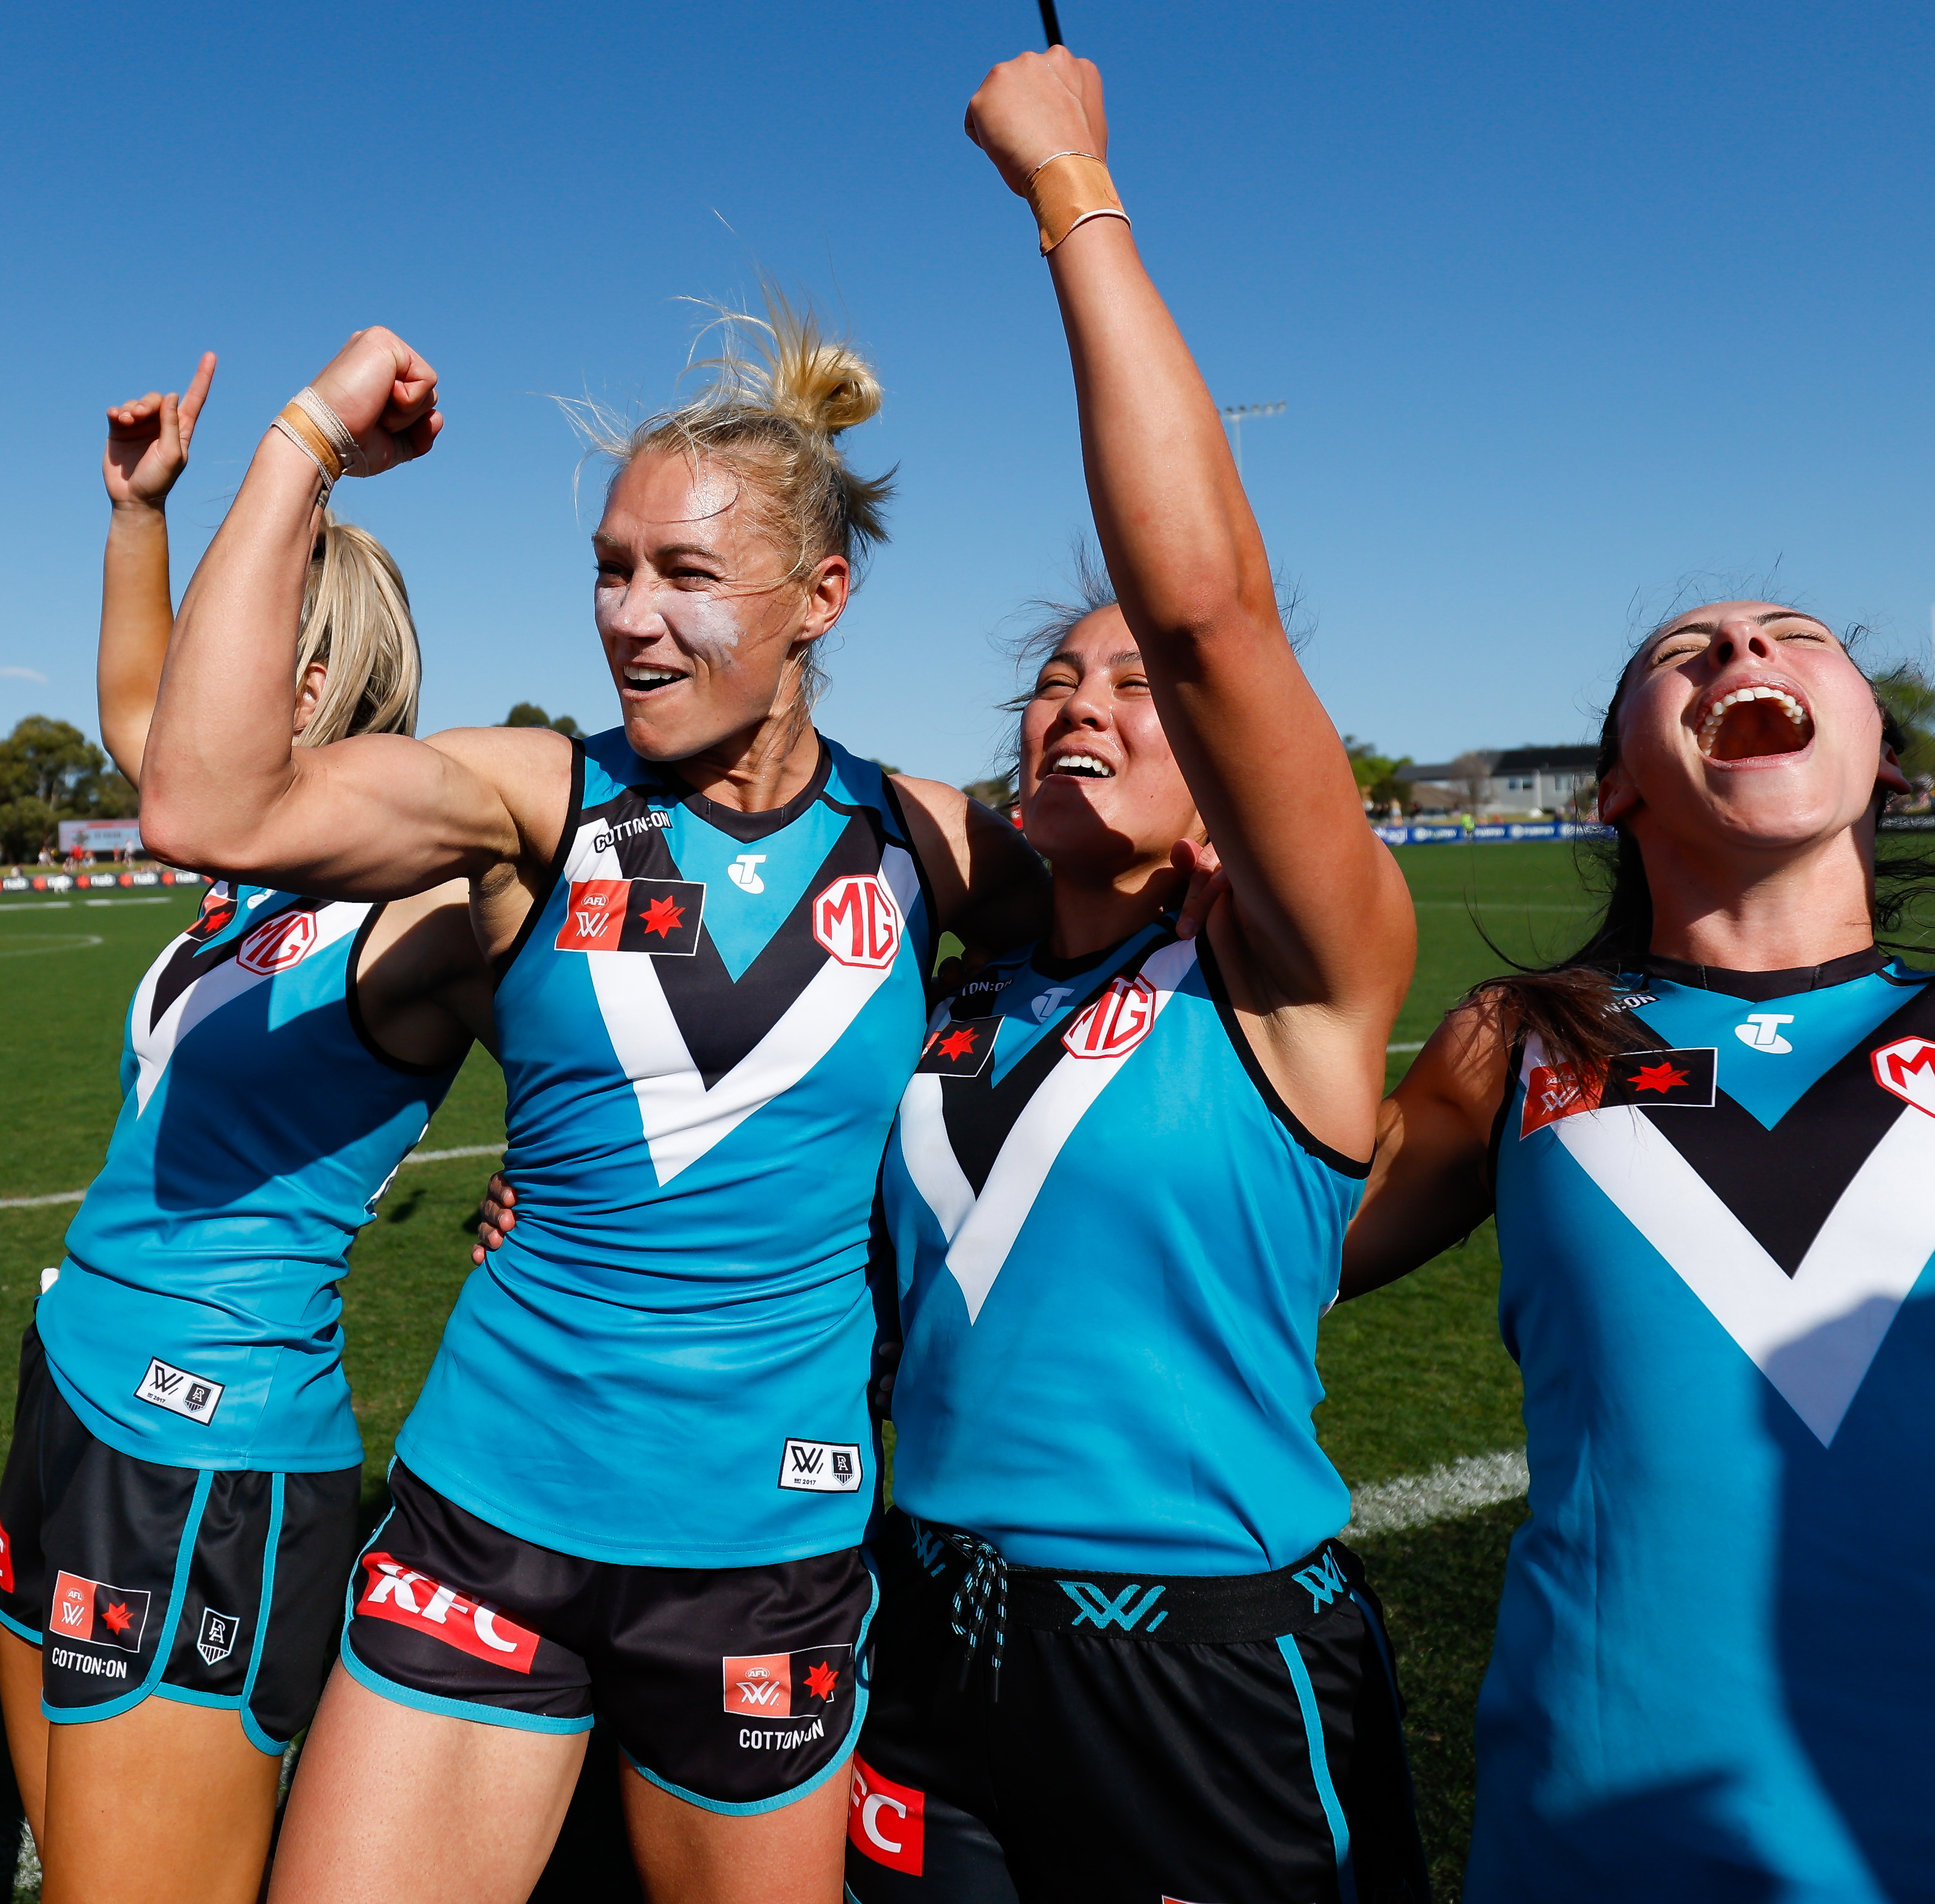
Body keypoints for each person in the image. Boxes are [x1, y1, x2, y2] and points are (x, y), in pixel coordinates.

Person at [478, 50, 1429, 1904]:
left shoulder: (1296, 978)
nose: (1087, 696)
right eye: (1056, 677)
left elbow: (1209, 606)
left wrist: (1071, 189)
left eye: (1135, 687)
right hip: (913, 1636)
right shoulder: (956, 981)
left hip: (1201, 1656)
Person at [138, 297, 1042, 1896]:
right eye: (612, 569)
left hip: (764, 1543)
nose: (630, 616)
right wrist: (302, 448)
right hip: (487, 1510)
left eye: (686, 575)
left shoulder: (931, 844)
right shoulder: (535, 797)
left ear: (819, 596)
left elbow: (1139, 967)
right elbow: (205, 796)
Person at [1346, 596, 1935, 1899]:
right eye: (1686, 652)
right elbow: (1255, 1248)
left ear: (1885, 757)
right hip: (1620, 1836)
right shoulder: (1517, 1042)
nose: (1741, 653)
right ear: (1614, 782)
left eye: (1796, 636)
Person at [0, 355, 493, 1904]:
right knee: (64, 1859)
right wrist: (140, 517)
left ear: (315, 680)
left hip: (208, 1443)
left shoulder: (431, 892)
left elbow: (596, 1000)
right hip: (71, 1383)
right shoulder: (250, 871)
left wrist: (549, 1165)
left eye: (238, 638)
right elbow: (146, 713)